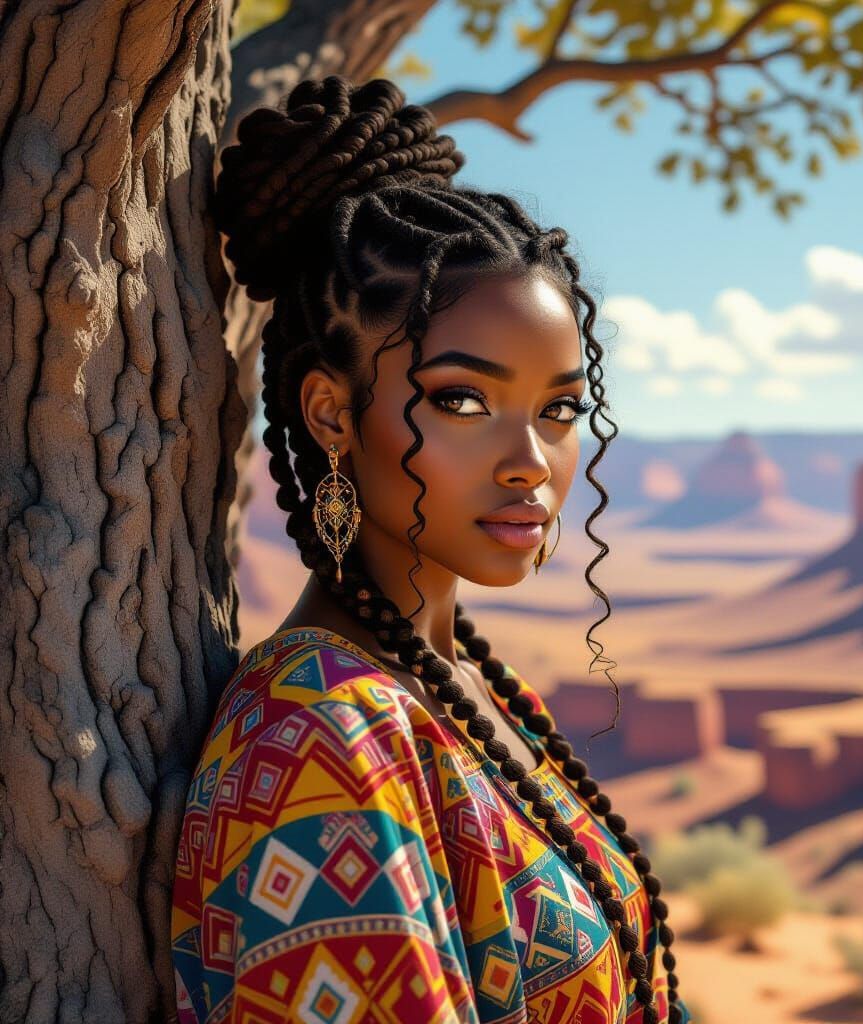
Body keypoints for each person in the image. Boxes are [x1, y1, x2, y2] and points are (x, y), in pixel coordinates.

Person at [170, 74, 692, 1024]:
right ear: (331, 412)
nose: (531, 461)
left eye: (558, 409)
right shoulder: (321, 739)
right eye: (464, 400)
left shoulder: (475, 689)